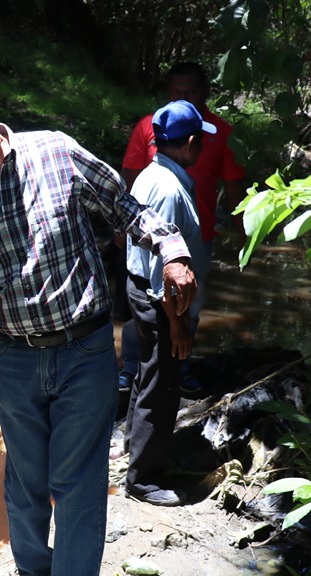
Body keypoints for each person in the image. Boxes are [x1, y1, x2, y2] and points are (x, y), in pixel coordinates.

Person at [0, 64, 197, 576]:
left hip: (85, 349)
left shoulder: (57, 155)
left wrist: (171, 250)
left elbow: (127, 211)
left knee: (75, 483)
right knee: (24, 484)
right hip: (16, 360)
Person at [120, 61, 247, 391]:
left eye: (188, 91)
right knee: (149, 296)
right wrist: (122, 227)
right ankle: (136, 369)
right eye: (175, 92)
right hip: (149, 231)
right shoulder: (152, 127)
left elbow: (234, 188)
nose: (181, 97)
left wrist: (243, 234)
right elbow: (130, 178)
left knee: (189, 301)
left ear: (204, 92)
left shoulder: (220, 133)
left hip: (197, 234)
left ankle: (178, 367)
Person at [124, 100, 213, 508]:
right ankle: (144, 478)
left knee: (148, 374)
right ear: (191, 143)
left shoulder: (150, 174)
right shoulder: (171, 190)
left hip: (140, 290)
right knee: (162, 385)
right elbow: (166, 268)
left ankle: (135, 446)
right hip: (161, 301)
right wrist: (177, 324)